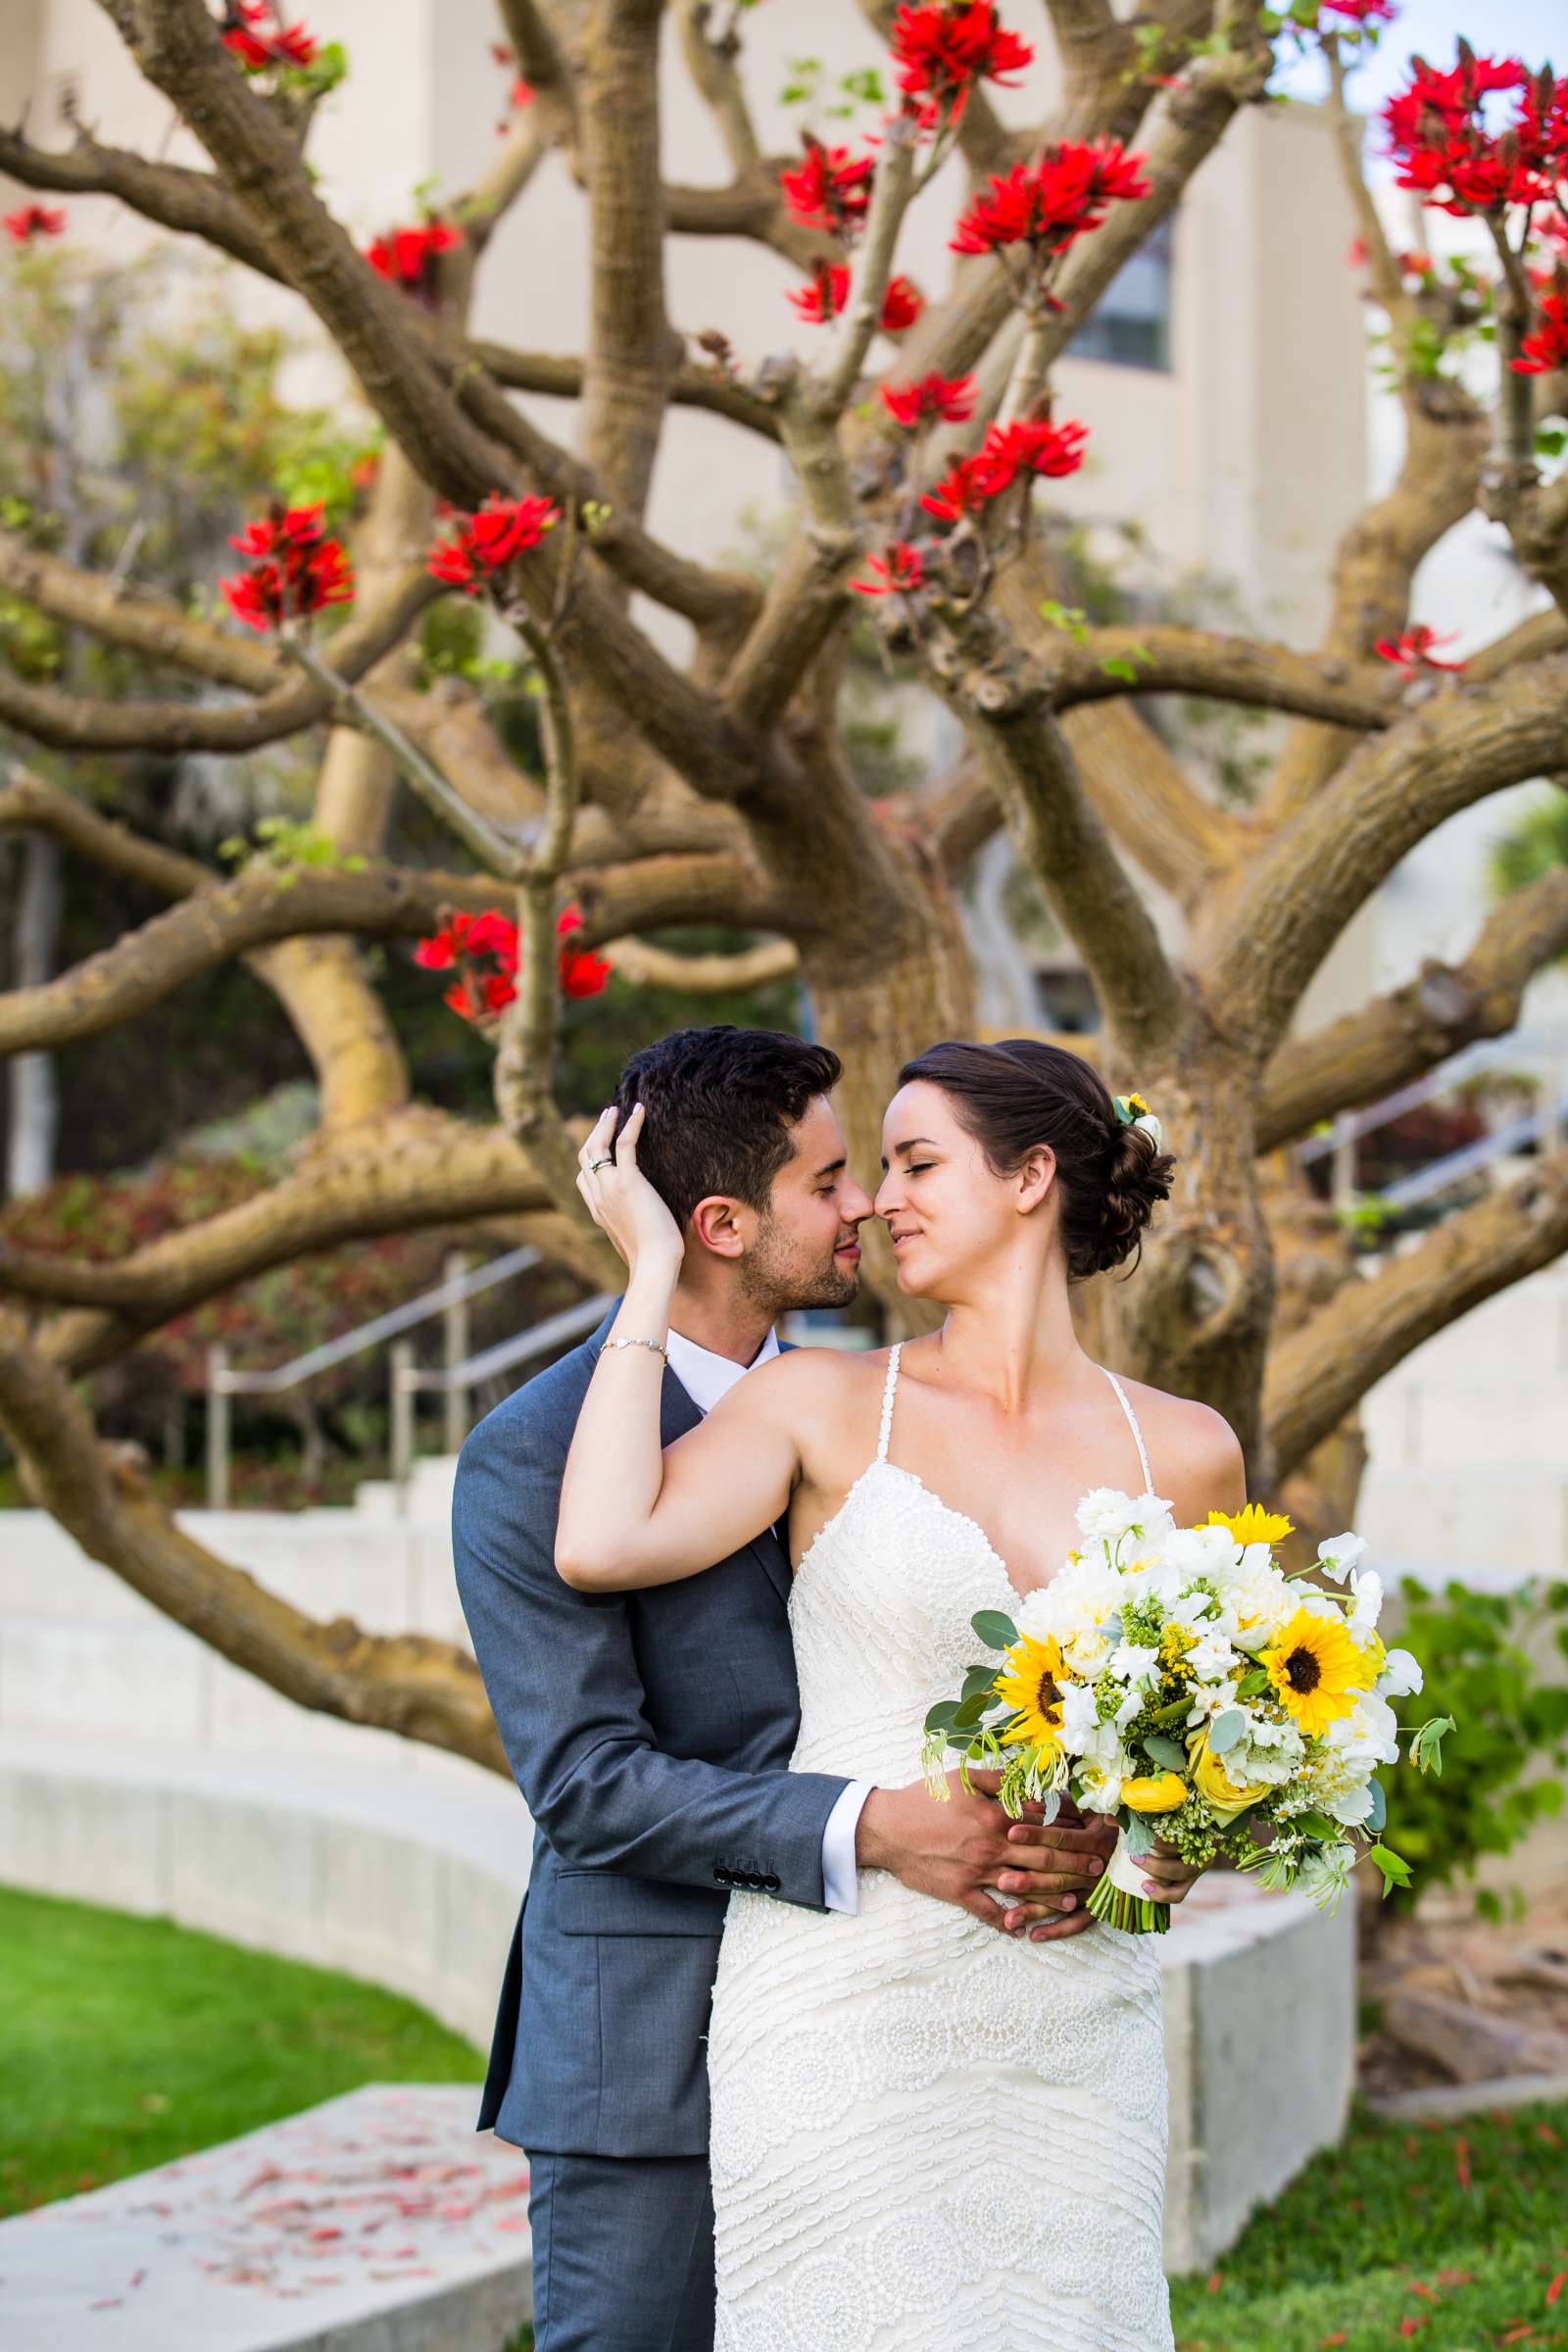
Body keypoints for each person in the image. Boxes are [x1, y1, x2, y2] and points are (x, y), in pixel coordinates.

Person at [557, 1035, 1246, 2352]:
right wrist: (649, 1267)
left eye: (917, 1163)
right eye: (875, 1170)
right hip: (844, 2013)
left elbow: (1232, 1767)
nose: (878, 1199)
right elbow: (599, 1541)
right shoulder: (820, 1405)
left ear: (1033, 1174)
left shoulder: (1191, 1450)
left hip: (1073, 2028)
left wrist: (1145, 1856)